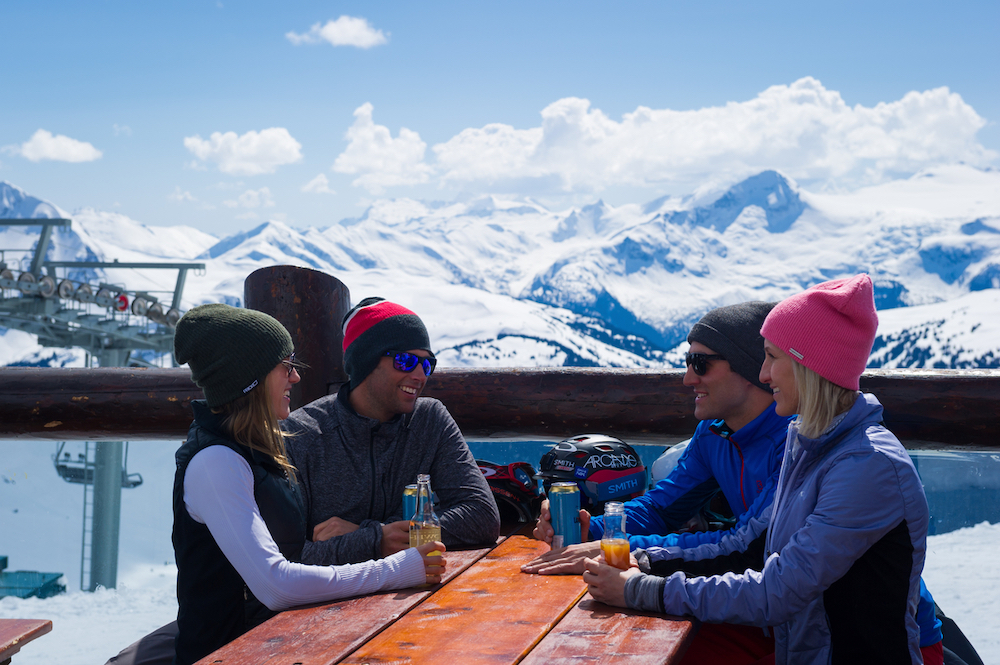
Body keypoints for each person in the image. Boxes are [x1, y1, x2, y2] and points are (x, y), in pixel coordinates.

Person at [586, 274, 931, 665]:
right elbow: (745, 546)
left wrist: (641, 589)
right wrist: (641, 561)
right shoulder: (809, 445)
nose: (764, 374)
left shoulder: (868, 466)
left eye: (772, 357)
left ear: (807, 365)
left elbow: (776, 592)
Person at [106, 304, 446, 665]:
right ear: (250, 377)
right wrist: (398, 568)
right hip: (229, 653)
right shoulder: (215, 462)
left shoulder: (254, 447)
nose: (296, 378)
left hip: (272, 643)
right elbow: (277, 585)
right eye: (286, 366)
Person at [523, 301, 791, 574]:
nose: (688, 379)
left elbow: (751, 545)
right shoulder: (714, 431)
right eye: (687, 363)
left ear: (749, 368)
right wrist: (590, 528)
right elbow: (661, 509)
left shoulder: (794, 439)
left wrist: (623, 547)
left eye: (700, 364)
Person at [283, 297, 500, 565]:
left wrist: (372, 535)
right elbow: (289, 558)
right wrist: (378, 539)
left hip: (416, 596)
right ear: (366, 361)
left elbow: (482, 517)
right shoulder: (300, 435)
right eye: (406, 361)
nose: (420, 375)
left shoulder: (429, 419)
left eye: (427, 364)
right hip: (330, 602)